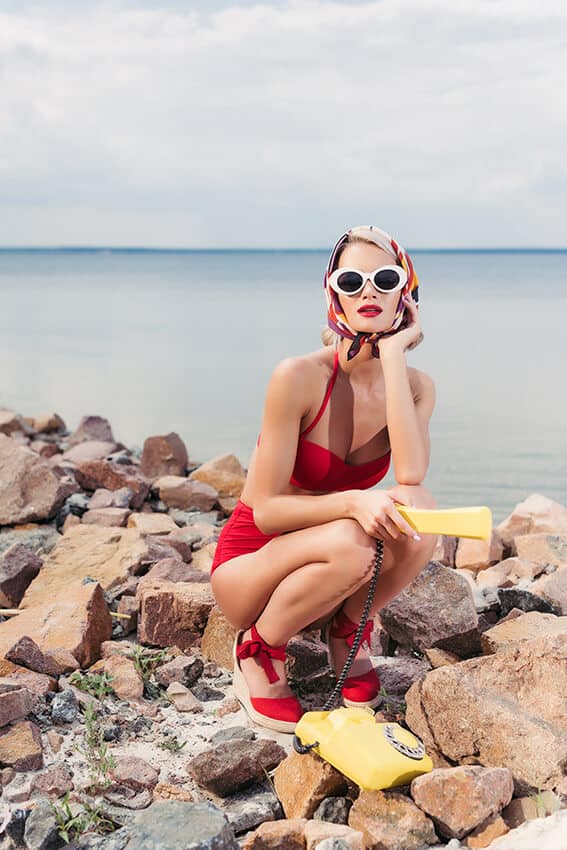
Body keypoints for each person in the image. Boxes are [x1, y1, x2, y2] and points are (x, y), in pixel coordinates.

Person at [210, 225, 438, 733]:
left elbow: (411, 474)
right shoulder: (297, 376)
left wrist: (395, 356)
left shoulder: (418, 388)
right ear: (333, 292)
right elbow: (266, 510)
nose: (368, 292)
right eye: (351, 281)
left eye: (384, 278)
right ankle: (258, 649)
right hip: (252, 570)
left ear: (408, 289)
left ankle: (348, 629)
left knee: (421, 514)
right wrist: (355, 502)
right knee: (354, 539)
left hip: (331, 571)